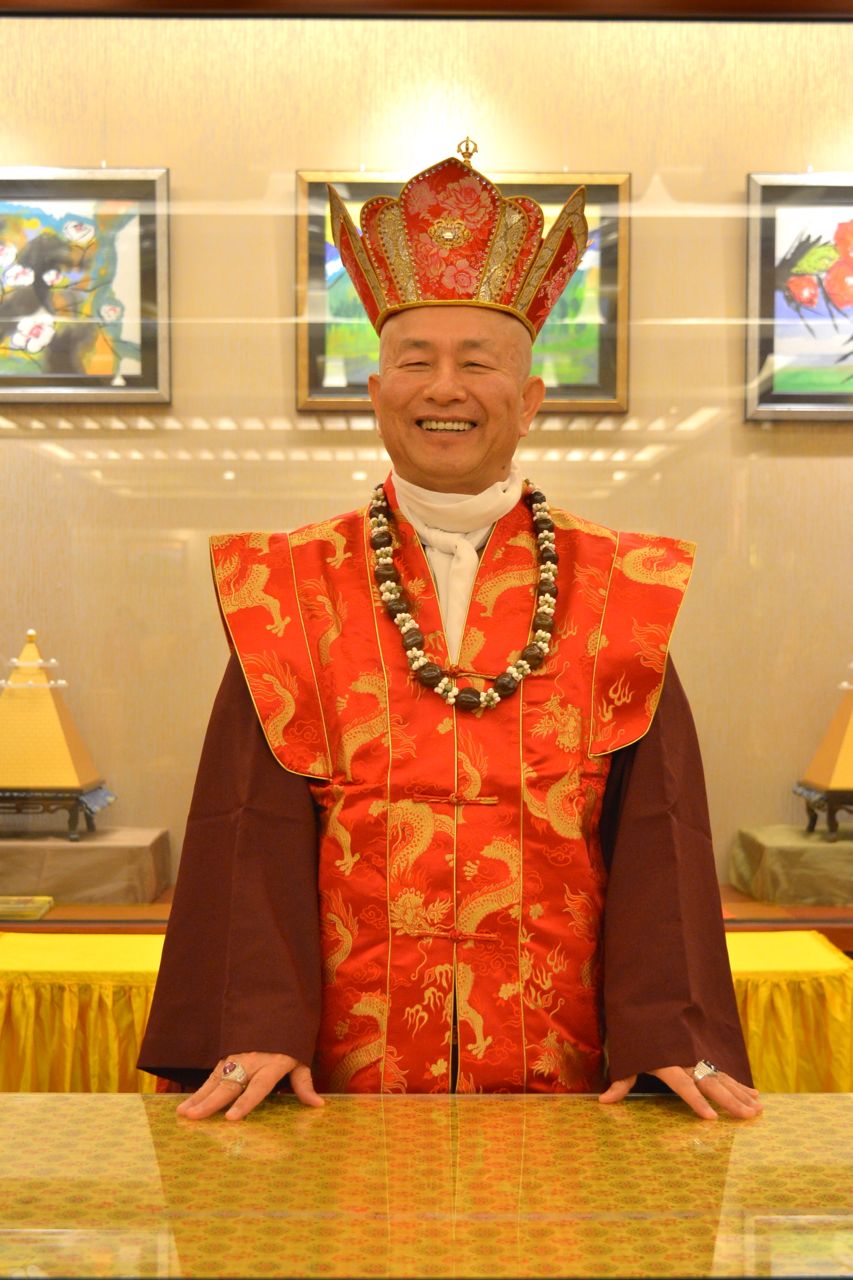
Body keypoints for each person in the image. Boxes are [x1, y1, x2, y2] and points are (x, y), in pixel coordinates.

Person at [139, 142, 761, 1124]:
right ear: (375, 392)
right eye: (415, 362)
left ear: (530, 399)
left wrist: (667, 1032)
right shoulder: (286, 584)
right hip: (335, 1077)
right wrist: (251, 1021)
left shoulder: (620, 587)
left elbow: (660, 829)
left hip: (567, 1070)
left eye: (477, 362)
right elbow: (248, 825)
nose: (444, 387)